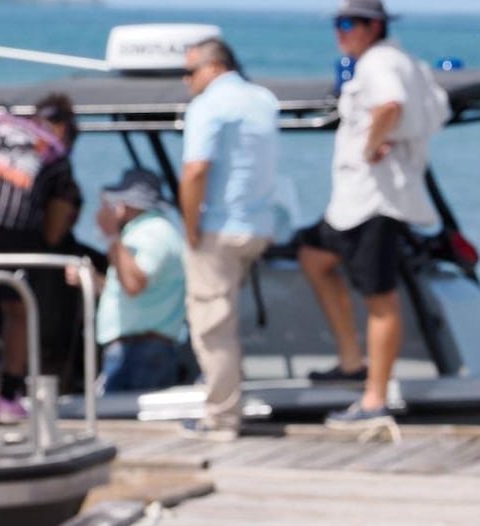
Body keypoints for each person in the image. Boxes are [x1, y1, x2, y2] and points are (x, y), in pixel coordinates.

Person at [299, 0, 449, 430]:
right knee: (313, 255)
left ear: (373, 27)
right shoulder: (409, 63)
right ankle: (352, 362)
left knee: (381, 300)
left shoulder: (377, 62)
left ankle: (374, 398)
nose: (339, 32)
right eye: (337, 23)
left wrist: (370, 145)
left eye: (348, 23)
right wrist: (394, 138)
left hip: (374, 202)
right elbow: (436, 111)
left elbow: (389, 105)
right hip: (357, 204)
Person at [0, 93, 82, 421]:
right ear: (65, 128)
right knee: (18, 308)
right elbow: (53, 231)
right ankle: (10, 394)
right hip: (12, 231)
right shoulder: (55, 150)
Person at [177, 37, 280, 441]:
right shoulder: (264, 100)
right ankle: (228, 401)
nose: (185, 81)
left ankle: (220, 418)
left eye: (190, 72)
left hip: (219, 228)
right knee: (227, 320)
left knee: (212, 326)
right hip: (259, 226)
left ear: (215, 67)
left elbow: (195, 170)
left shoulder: (208, 105)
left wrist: (190, 228)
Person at [67, 168, 186, 394]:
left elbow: (134, 284)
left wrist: (112, 236)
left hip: (140, 352)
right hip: (139, 350)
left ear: (128, 203)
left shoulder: (152, 232)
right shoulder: (145, 232)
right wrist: (92, 281)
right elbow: (128, 288)